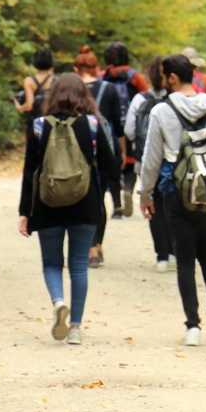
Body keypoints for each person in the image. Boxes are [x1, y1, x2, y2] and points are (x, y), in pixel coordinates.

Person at [138, 53, 206, 346]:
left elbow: (151, 159)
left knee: (185, 259)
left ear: (172, 77)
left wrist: (145, 193)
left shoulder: (162, 111)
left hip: (176, 192)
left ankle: (193, 327)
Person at [17, 74, 119, 346]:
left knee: (51, 263)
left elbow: (30, 171)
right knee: (78, 268)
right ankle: (75, 327)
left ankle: (59, 301)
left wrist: (25, 211)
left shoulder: (39, 126)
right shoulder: (94, 125)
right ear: (83, 95)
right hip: (84, 204)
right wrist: (98, 194)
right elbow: (110, 164)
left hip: (47, 204)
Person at [74, 48, 126, 267]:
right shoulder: (109, 89)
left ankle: (84, 247)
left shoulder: (71, 90)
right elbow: (117, 124)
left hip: (77, 151)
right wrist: (122, 152)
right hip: (105, 151)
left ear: (76, 69)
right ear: (96, 68)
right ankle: (96, 247)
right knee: (100, 199)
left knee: (79, 199)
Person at [126, 56, 175, 272]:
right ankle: (174, 252)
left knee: (153, 206)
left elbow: (129, 131)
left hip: (145, 161)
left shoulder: (140, 99)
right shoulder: (174, 99)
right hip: (172, 162)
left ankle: (161, 256)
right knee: (172, 205)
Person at [102, 42, 149, 218]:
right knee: (130, 161)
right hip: (131, 125)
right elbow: (146, 97)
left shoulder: (103, 76)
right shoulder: (135, 76)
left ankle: (117, 204)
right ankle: (128, 189)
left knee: (112, 161)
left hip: (108, 126)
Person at [16, 47, 55, 123]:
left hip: (36, 122)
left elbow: (29, 105)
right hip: (53, 122)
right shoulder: (58, 80)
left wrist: (19, 107)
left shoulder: (29, 81)